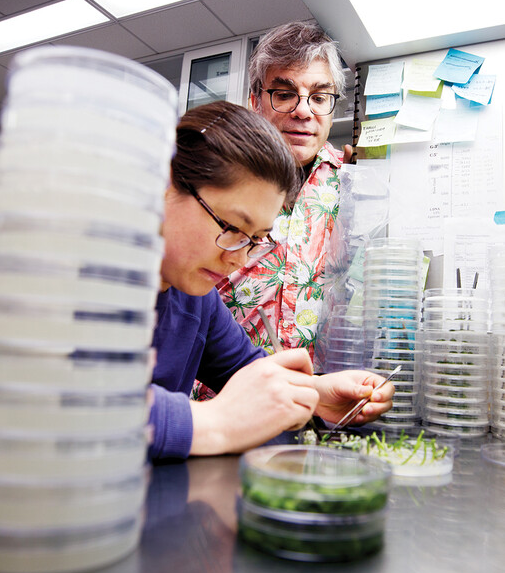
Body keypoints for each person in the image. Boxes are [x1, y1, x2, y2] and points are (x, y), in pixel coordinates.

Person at [149, 101, 392, 459]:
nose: (237, 258)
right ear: (166, 186)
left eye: (256, 238)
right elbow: (69, 400)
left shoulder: (196, 297)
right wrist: (216, 420)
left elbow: (243, 369)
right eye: (232, 227)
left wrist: (314, 394)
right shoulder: (86, 277)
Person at [214, 21, 350, 357]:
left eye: (319, 97)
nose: (304, 111)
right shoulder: (216, 176)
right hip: (223, 395)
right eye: (285, 94)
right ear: (255, 100)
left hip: (316, 394)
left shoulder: (351, 183)